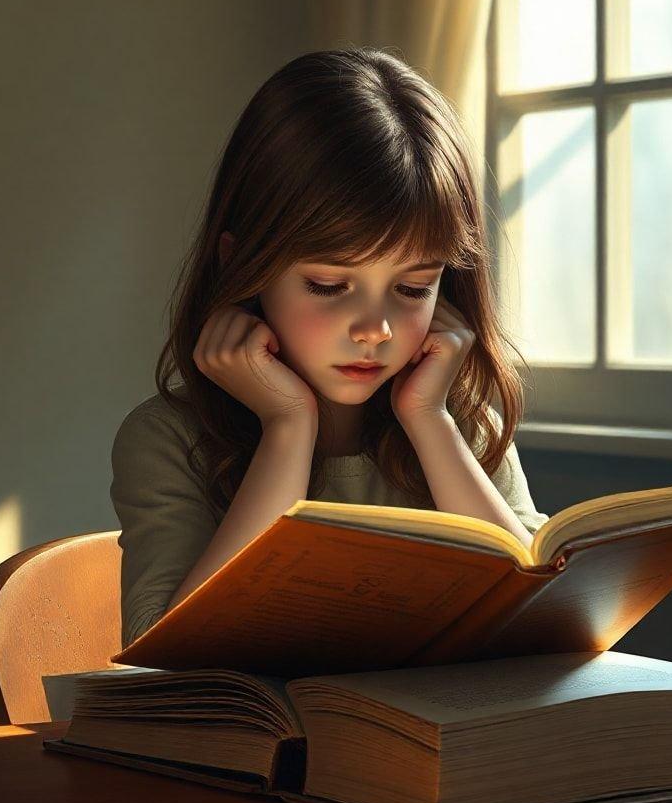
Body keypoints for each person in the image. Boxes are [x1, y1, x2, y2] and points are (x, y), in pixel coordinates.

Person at [111, 47, 550, 649]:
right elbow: (168, 658)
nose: (377, 329)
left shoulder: (463, 425)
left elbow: (539, 623)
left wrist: (429, 420)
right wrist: (288, 428)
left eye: (413, 287)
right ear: (243, 264)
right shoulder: (167, 441)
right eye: (328, 285)